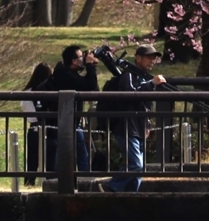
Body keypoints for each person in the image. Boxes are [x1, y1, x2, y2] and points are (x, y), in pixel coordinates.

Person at [101, 44, 167, 192]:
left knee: (139, 168)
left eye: (153, 58)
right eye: (148, 57)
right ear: (138, 58)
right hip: (126, 125)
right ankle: (110, 187)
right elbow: (130, 94)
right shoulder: (128, 75)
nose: (152, 61)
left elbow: (145, 105)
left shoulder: (143, 77)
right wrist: (152, 84)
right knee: (137, 165)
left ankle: (130, 196)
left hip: (138, 126)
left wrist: (147, 124)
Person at [39, 45, 100, 173]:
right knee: (76, 156)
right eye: (80, 57)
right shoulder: (66, 76)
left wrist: (91, 67)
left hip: (69, 122)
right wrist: (89, 66)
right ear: (73, 61)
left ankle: (62, 181)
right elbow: (89, 86)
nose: (83, 59)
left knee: (69, 155)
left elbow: (93, 90)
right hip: (65, 122)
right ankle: (74, 182)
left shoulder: (66, 72)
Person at [20, 62, 52, 185]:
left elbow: (25, 107)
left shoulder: (26, 91)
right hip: (46, 125)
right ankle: (50, 181)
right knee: (49, 157)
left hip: (32, 126)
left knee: (32, 158)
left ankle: (29, 181)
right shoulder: (44, 91)